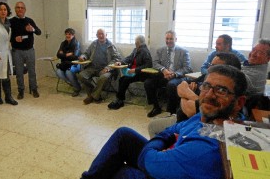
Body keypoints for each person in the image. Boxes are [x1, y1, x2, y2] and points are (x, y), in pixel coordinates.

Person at [81, 65, 247, 179]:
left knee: (123, 173)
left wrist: (158, 147)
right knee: (123, 135)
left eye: (221, 90)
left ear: (239, 102)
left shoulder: (208, 148)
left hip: (167, 163)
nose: (209, 95)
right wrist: (163, 141)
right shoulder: (210, 116)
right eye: (206, 86)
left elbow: (148, 160)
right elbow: (178, 127)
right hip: (170, 155)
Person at [148, 52, 242, 138]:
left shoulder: (228, 96)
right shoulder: (206, 77)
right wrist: (190, 95)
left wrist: (187, 94)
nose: (209, 69)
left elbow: (190, 110)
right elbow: (181, 87)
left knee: (153, 127)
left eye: (215, 67)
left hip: (188, 123)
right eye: (211, 65)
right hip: (182, 118)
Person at [144, 30, 192, 117]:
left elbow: (187, 68)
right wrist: (163, 70)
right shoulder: (160, 50)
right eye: (167, 39)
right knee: (148, 83)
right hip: (164, 75)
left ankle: (171, 111)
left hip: (177, 77)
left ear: (176, 39)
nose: (169, 41)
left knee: (171, 85)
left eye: (171, 39)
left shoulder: (184, 52)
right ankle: (156, 107)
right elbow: (155, 63)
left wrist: (174, 74)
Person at [77, 28, 122, 104]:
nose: (101, 36)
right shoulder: (94, 44)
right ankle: (96, 94)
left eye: (102, 34)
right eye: (99, 34)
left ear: (106, 35)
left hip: (105, 68)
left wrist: (108, 68)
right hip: (93, 67)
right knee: (81, 76)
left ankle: (91, 96)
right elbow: (86, 53)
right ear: (96, 35)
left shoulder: (110, 45)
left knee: (103, 77)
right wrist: (83, 56)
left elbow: (117, 58)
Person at [108, 35, 152, 110]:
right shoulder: (136, 50)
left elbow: (148, 65)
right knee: (121, 79)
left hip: (141, 74)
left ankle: (120, 101)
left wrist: (135, 70)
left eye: (136, 42)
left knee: (125, 80)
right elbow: (129, 58)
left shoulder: (145, 51)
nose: (135, 43)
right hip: (133, 72)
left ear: (138, 42)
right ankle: (119, 99)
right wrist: (121, 62)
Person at [10, 1, 42, 99]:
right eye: (18, 7)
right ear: (15, 9)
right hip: (17, 51)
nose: (20, 9)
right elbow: (6, 37)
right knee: (19, 72)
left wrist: (32, 30)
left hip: (29, 50)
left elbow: (39, 32)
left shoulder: (29, 20)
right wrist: (14, 39)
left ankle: (34, 89)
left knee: (32, 71)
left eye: (22, 8)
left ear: (25, 9)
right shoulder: (11, 21)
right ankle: (21, 90)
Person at [242, 38, 270, 116]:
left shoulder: (256, 76)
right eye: (253, 50)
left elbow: (231, 79)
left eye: (259, 52)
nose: (253, 54)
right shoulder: (248, 65)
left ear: (268, 58)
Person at [56, 28, 81, 97]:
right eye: (66, 34)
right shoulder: (63, 43)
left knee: (68, 72)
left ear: (73, 35)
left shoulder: (76, 43)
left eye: (69, 34)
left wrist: (63, 54)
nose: (67, 36)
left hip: (74, 64)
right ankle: (74, 84)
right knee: (58, 72)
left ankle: (77, 88)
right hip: (64, 64)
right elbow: (58, 55)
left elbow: (75, 57)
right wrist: (67, 54)